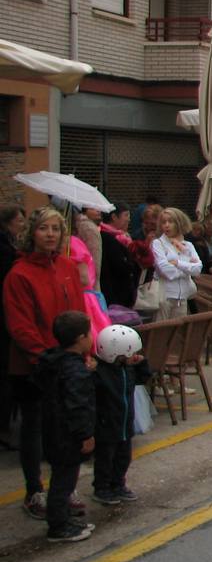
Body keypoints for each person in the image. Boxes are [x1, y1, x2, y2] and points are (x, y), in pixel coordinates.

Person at [3, 206, 87, 520]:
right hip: (35, 366)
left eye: (56, 229)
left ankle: (63, 488)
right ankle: (34, 490)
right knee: (35, 428)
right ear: (31, 233)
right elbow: (20, 325)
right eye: (44, 228)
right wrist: (45, 358)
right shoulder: (19, 273)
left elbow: (80, 311)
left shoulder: (66, 266)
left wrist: (81, 352)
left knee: (65, 430)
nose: (50, 234)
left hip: (67, 363)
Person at [35, 310, 97, 542]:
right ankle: (58, 526)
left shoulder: (53, 361)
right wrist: (86, 434)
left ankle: (62, 518)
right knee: (63, 481)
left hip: (52, 429)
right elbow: (78, 405)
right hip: (67, 435)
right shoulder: (74, 371)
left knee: (62, 478)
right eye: (89, 333)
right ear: (81, 338)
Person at [91, 324, 149, 505]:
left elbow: (143, 378)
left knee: (123, 457)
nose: (132, 356)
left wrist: (142, 364)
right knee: (105, 459)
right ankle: (101, 488)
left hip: (125, 423)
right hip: (106, 424)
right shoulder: (99, 374)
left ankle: (118, 484)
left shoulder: (127, 370)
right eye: (129, 354)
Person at [0, 204, 26, 448]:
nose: (22, 224)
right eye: (19, 220)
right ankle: (4, 427)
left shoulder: (10, 246)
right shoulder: (6, 250)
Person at [152, 208, 203, 321]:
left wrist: (178, 263)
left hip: (182, 297)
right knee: (162, 331)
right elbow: (165, 270)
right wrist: (187, 268)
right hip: (164, 296)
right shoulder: (158, 244)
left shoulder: (188, 246)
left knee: (179, 333)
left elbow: (198, 269)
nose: (166, 225)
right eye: (164, 222)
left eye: (170, 222)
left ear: (179, 223)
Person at [99, 203, 139, 308]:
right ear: (114, 217)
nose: (129, 220)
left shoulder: (123, 237)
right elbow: (120, 266)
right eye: (126, 215)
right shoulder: (107, 238)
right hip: (114, 295)